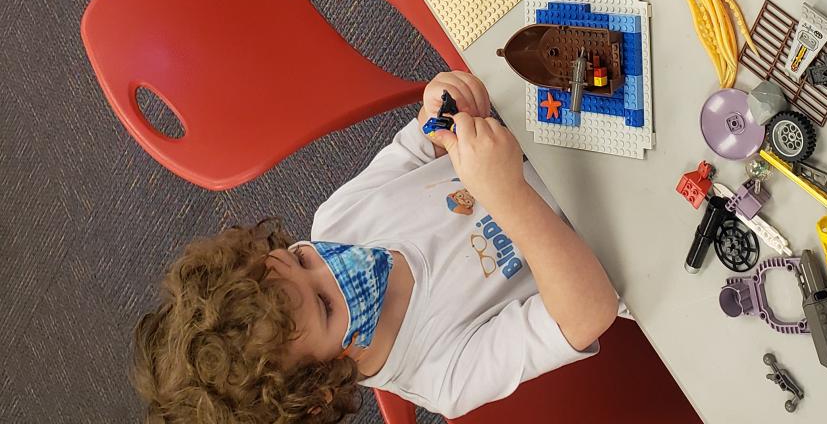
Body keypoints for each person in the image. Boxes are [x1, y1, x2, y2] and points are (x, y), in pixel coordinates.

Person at [132, 71, 618, 423]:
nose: (333, 263)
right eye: (324, 305)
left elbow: (415, 147)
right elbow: (585, 313)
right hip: (623, 244)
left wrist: (440, 107)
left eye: (301, 259)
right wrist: (507, 196)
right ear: (321, 389)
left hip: (566, 133)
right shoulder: (441, 375)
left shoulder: (336, 223)